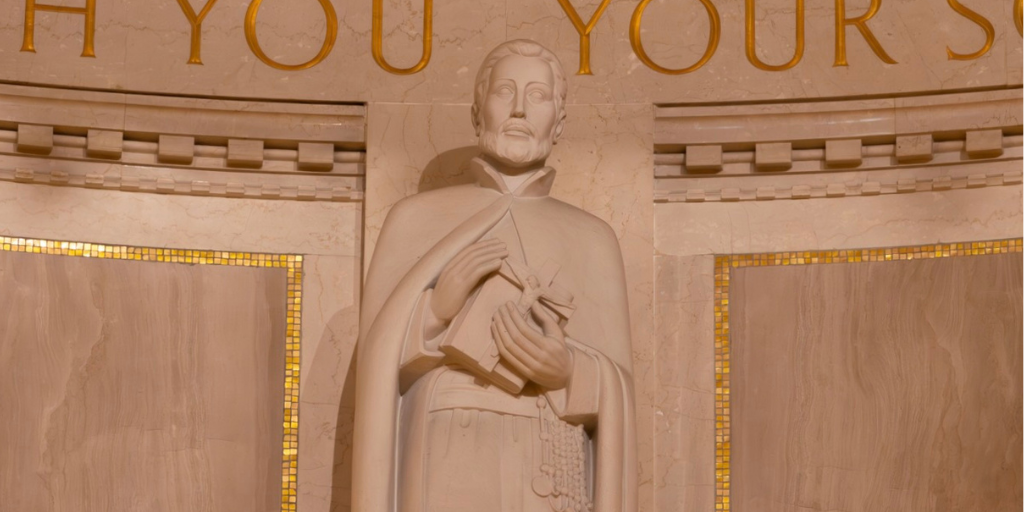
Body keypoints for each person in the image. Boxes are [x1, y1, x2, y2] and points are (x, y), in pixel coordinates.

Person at [352, 39, 637, 512]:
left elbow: (618, 386)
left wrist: (569, 371)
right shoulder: (416, 218)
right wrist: (434, 311)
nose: (521, 109)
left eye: (538, 96)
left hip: (546, 458)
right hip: (443, 449)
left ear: (560, 121)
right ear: (477, 110)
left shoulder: (592, 237)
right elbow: (376, 368)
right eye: (505, 91)